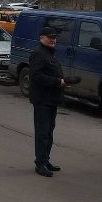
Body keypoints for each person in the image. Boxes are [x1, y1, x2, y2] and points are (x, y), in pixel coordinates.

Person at [29, 25, 75, 177]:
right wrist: (58, 82)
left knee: (49, 132)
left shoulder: (50, 53)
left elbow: (52, 73)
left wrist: (64, 82)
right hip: (42, 99)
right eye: (50, 37)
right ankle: (40, 164)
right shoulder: (38, 54)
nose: (53, 40)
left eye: (54, 38)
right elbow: (36, 76)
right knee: (42, 133)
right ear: (41, 38)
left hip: (52, 99)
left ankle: (46, 160)